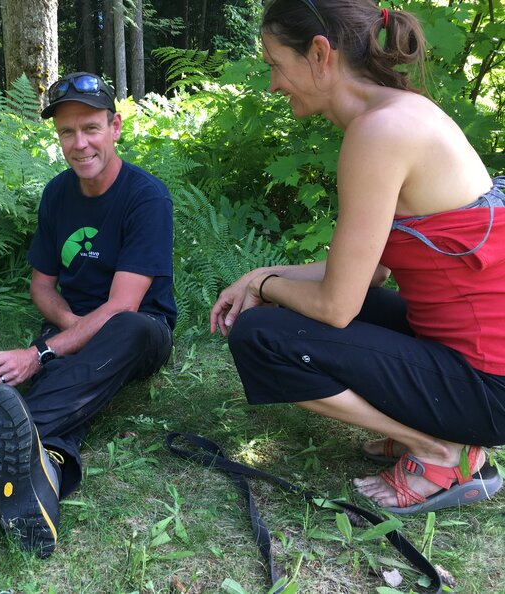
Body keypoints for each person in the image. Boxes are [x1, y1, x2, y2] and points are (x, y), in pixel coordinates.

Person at [210, 0, 505, 515]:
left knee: (261, 335)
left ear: (320, 54)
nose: (273, 84)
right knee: (286, 309)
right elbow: (370, 274)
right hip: (476, 363)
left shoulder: (379, 132)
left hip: (489, 387)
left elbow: (336, 307)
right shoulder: (400, 114)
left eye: (276, 65)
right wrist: (260, 277)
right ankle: (431, 425)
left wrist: (263, 286)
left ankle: (439, 450)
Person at [0, 72, 176, 556]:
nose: (79, 144)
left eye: (91, 128)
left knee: (123, 329)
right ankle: (47, 470)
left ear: (115, 127)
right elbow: (42, 286)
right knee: (77, 383)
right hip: (70, 324)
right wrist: (66, 332)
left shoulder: (146, 197)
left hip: (140, 331)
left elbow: (124, 305)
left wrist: (40, 353)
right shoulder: (58, 194)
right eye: (66, 132)